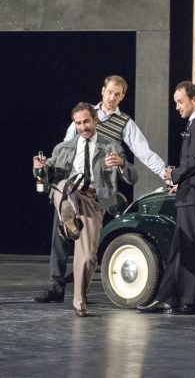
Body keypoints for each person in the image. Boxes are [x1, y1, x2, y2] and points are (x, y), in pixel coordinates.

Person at [33, 75, 166, 304]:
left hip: (95, 190)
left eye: (118, 94)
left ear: (122, 96)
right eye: (110, 92)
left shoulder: (124, 122)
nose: (112, 98)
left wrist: (166, 173)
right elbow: (67, 146)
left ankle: (80, 293)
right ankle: (56, 286)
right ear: (102, 91)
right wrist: (49, 169)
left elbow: (144, 152)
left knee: (86, 247)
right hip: (70, 188)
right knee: (60, 233)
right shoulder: (83, 114)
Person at [33, 102, 137, 316]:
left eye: (86, 122)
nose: (83, 127)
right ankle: (68, 217)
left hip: (94, 201)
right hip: (69, 193)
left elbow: (133, 177)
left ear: (95, 120)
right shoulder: (63, 148)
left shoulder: (112, 147)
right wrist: (39, 169)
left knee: (88, 256)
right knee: (63, 186)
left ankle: (79, 300)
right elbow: (47, 176)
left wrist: (121, 165)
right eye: (78, 123)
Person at [137, 81, 195, 315]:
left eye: (180, 102)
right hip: (189, 194)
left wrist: (173, 175)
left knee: (193, 249)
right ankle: (168, 298)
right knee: (178, 249)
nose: (177, 107)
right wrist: (180, 181)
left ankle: (192, 301)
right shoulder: (194, 124)